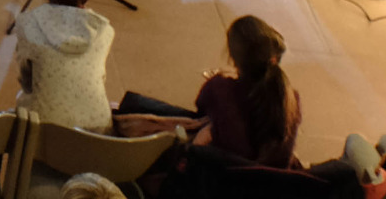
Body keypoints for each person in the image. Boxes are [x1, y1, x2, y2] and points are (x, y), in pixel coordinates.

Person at [118, 15, 301, 169]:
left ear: (232, 57)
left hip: (215, 175)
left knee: (133, 105)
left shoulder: (220, 88)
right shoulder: (292, 99)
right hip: (260, 184)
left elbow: (201, 108)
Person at [13, 0, 113, 131]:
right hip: (96, 129)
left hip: (40, 127)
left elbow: (27, 80)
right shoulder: (105, 30)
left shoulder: (27, 24)